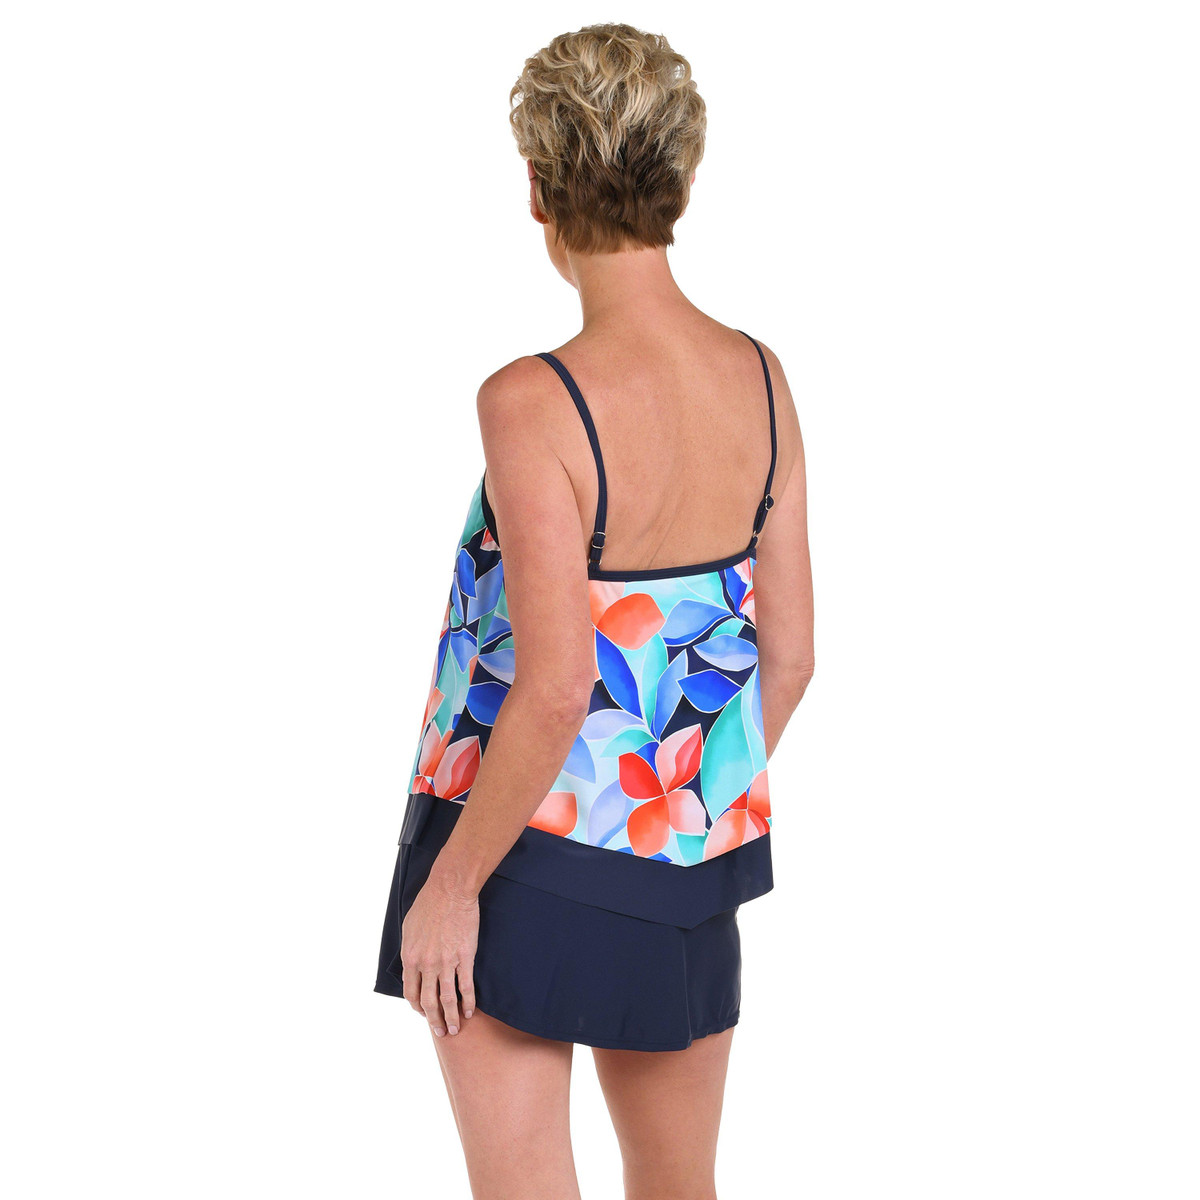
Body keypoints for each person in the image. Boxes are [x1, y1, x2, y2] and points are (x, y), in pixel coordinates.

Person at [374, 22, 814, 1200]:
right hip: (683, 853)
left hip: (509, 847)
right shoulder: (761, 379)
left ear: (536, 186)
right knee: (680, 1185)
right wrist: (679, 817)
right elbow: (793, 655)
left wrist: (451, 886)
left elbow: (560, 680)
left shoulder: (531, 401)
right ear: (684, 179)